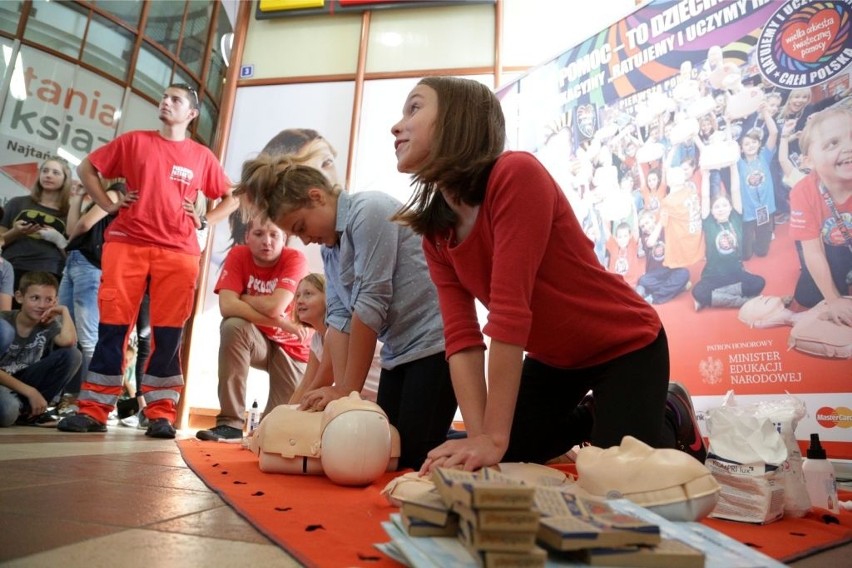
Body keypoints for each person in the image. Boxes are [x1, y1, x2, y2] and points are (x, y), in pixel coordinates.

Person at [389, 76, 703, 474]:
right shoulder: (437, 233)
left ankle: (668, 415)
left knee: (614, 476)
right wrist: (483, 436)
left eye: (414, 108)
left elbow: (509, 314)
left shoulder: (515, 174)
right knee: (504, 453)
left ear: (458, 119)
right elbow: (462, 339)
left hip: (627, 344)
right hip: (556, 359)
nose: (397, 125)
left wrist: (491, 439)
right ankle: (591, 415)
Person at [237, 157, 458, 471]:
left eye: (300, 227)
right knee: (386, 448)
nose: (305, 239)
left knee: (412, 454)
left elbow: (371, 301)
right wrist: (340, 392)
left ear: (317, 196)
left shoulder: (369, 211)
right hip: (400, 352)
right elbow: (339, 317)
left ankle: (490, 445)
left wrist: (346, 390)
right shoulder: (331, 249)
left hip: (436, 344)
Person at [57, 82, 237, 438]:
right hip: (126, 245)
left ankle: (160, 413)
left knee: (168, 334)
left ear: (192, 114)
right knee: (113, 329)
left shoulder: (202, 156)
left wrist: (204, 220)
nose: (165, 102)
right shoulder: (134, 141)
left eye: (175, 100)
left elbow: (231, 198)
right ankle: (93, 409)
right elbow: (86, 170)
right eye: (164, 97)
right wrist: (108, 206)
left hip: (179, 252)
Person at [195, 215, 310, 441]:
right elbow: (227, 307)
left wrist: (243, 297)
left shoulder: (295, 258)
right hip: (258, 340)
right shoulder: (238, 254)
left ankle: (264, 429)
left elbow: (276, 305)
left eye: (274, 235)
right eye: (258, 234)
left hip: (293, 348)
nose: (266, 241)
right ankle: (230, 423)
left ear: (284, 238)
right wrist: (279, 321)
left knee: (271, 432)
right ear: (247, 236)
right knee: (232, 325)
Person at [56, 179, 125, 413]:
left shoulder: (116, 193)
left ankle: (89, 399)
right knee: (69, 333)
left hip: (90, 265)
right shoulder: (101, 195)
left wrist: (67, 243)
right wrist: (78, 197)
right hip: (76, 262)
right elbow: (73, 227)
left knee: (87, 338)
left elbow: (84, 226)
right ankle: (72, 395)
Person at [789, 106, 852, 325]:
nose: (848, 147)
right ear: (809, 162)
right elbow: (813, 251)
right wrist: (833, 299)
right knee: (808, 297)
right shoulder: (803, 192)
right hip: (829, 246)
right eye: (833, 143)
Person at [0, 272, 81, 427]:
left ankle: (32, 412)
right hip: (5, 384)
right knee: (7, 411)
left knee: (72, 355)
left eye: (49, 300)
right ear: (19, 297)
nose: (42, 305)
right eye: (35, 298)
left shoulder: (48, 324)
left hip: (23, 382)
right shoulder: (3, 321)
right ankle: (22, 409)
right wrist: (31, 392)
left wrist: (64, 311)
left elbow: (69, 342)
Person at [692, 163, 765, 310]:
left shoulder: (736, 217)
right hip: (713, 276)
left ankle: (717, 297)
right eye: (717, 207)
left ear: (731, 207)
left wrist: (732, 166)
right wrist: (705, 175)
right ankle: (744, 302)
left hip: (735, 273)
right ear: (711, 211)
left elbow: (735, 190)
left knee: (759, 282)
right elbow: (705, 196)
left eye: (724, 205)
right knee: (698, 292)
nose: (721, 209)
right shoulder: (709, 222)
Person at [0, 156, 72, 302]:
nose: (48, 175)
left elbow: (73, 258)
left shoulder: (70, 213)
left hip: (48, 275)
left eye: (55, 172)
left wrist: (59, 240)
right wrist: (15, 232)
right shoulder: (17, 203)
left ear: (65, 179)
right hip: (12, 268)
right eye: (45, 171)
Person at [735, 105, 778, 260]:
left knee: (762, 251)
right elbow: (728, 143)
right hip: (748, 211)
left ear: (759, 144)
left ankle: (761, 241)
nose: (751, 146)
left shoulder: (764, 157)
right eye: (746, 144)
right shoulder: (739, 164)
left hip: (766, 208)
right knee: (745, 255)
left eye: (754, 142)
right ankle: (747, 245)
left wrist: (764, 111)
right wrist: (727, 123)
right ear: (741, 149)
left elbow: (774, 133)